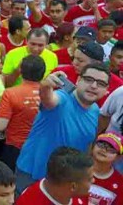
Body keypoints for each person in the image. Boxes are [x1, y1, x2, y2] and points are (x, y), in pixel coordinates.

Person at [15, 63, 111, 193]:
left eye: (100, 83)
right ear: (78, 80)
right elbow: (49, 99)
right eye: (88, 79)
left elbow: (86, 146)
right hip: (32, 175)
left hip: (63, 181)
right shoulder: (63, 97)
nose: (93, 86)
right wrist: (46, 85)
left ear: (106, 90)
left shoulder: (95, 111)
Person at [0, 55, 45, 171]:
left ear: (21, 71)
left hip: (15, 146)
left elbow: (0, 125)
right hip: (40, 146)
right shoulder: (52, 94)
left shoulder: (10, 93)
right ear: (43, 73)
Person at [16, 147, 93, 204]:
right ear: (73, 186)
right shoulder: (28, 201)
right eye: (89, 179)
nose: (93, 180)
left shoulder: (81, 193)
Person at [85, 132, 123, 204]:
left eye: (111, 149)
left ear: (118, 157)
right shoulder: (76, 169)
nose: (104, 150)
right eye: (101, 144)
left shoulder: (121, 183)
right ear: (93, 146)